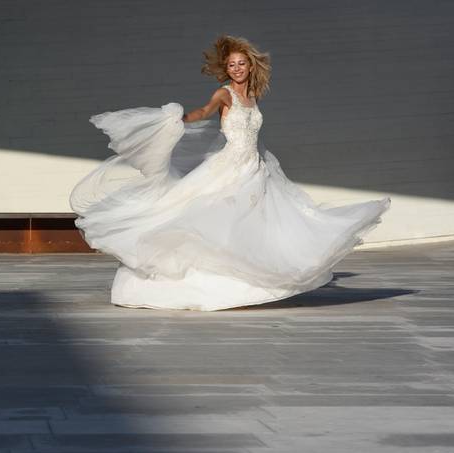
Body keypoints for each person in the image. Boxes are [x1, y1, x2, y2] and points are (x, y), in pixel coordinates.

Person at [69, 34, 391, 311]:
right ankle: (209, 283)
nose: (237, 69)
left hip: (254, 167)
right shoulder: (225, 93)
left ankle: (252, 279)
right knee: (215, 221)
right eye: (232, 65)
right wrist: (181, 120)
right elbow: (204, 111)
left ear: (250, 66)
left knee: (261, 223)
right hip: (229, 167)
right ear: (227, 69)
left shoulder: (253, 95)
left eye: (241, 64)